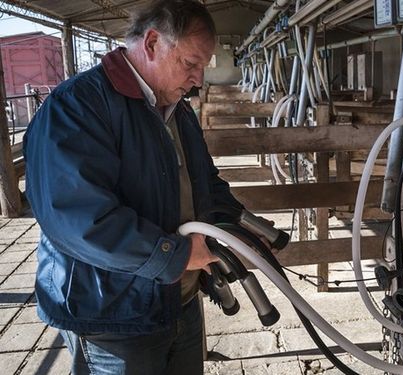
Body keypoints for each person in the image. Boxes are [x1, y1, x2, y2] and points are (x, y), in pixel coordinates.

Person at [23, 1, 243, 373]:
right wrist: (173, 255)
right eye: (190, 64)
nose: (198, 80)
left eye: (202, 67)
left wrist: (240, 226)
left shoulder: (176, 109)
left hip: (178, 300)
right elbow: (78, 218)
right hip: (113, 317)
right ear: (153, 43)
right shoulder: (76, 106)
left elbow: (204, 181)